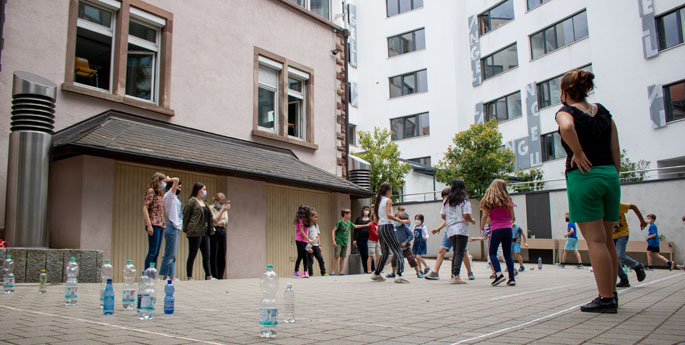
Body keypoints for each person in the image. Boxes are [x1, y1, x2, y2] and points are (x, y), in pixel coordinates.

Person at [556, 68, 620, 313]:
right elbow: (616, 148)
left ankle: (605, 299)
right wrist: (613, 174)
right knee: (607, 241)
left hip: (585, 177)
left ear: (564, 92)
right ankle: (611, 292)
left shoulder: (565, 111)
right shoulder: (603, 112)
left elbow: (567, 127)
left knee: (594, 241)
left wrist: (578, 152)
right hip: (609, 176)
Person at [426, 188, 475, 281]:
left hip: (459, 231)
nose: (444, 199)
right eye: (443, 197)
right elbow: (447, 219)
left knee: (462, 252)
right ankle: (435, 272)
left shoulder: (458, 203)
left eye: (446, 196)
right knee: (442, 250)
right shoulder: (447, 204)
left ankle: (469, 272)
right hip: (449, 231)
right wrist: (438, 229)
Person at [370, 182, 411, 283]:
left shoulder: (378, 201)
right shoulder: (388, 201)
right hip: (388, 227)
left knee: (385, 252)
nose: (391, 192)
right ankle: (399, 275)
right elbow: (389, 215)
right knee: (397, 250)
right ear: (388, 190)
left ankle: (377, 273)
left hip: (380, 227)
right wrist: (401, 221)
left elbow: (375, 218)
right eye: (391, 190)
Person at [480, 179, 516, 287]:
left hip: (496, 229)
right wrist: (507, 224)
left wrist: (482, 229)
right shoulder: (508, 201)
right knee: (507, 254)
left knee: (492, 253)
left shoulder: (489, 201)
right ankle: (512, 278)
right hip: (508, 229)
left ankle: (499, 274)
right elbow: (512, 218)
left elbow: (485, 216)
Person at [442, 179, 476, 284]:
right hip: (461, 228)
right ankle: (456, 275)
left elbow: (443, 215)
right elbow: (466, 215)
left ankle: (453, 274)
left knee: (455, 251)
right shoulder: (464, 201)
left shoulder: (447, 201)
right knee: (459, 252)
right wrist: (472, 221)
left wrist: (451, 220)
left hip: (450, 229)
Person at [182, 182, 214, 280]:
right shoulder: (192, 201)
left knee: (207, 254)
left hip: (205, 230)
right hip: (195, 231)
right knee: (193, 253)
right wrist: (187, 229)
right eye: (203, 189)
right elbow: (186, 215)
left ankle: (209, 275)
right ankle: (189, 276)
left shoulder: (205, 203)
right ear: (198, 190)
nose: (205, 191)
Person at [143, 173, 173, 270]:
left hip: (161, 224)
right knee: (152, 251)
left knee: (156, 252)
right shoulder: (150, 191)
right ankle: (147, 273)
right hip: (154, 223)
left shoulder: (159, 193)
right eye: (163, 181)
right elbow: (145, 208)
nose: (164, 184)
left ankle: (152, 273)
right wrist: (149, 225)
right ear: (158, 181)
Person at [613, 203, 647, 287]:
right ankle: (624, 279)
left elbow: (634, 207)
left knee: (619, 255)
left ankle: (637, 265)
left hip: (622, 234)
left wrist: (642, 221)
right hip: (610, 236)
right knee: (612, 259)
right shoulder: (599, 208)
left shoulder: (617, 205)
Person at [388, 212, 421, 278]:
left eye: (398, 220)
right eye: (395, 220)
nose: (396, 221)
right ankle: (393, 273)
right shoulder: (394, 227)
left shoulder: (405, 227)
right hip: (397, 248)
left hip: (406, 248)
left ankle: (418, 272)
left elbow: (411, 235)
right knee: (393, 260)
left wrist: (406, 242)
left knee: (411, 259)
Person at [160, 177, 181, 281]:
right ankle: (165, 275)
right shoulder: (169, 195)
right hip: (171, 225)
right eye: (178, 187)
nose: (179, 189)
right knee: (169, 253)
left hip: (175, 227)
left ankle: (171, 276)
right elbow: (176, 179)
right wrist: (169, 179)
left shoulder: (175, 198)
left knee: (173, 253)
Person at [209, 193, 230, 280]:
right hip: (214, 231)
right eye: (220, 203)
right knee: (214, 253)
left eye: (222, 203)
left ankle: (221, 275)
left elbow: (225, 221)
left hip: (222, 230)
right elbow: (214, 220)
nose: (221, 205)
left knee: (222, 253)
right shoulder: (211, 208)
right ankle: (214, 275)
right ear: (215, 201)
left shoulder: (225, 209)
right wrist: (222, 211)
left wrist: (219, 221)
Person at [332, 209, 354, 276]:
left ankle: (341, 272)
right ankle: (332, 272)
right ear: (345, 214)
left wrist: (367, 225)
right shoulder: (339, 222)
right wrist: (334, 241)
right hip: (338, 241)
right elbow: (333, 230)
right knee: (336, 256)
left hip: (345, 242)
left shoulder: (349, 223)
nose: (350, 215)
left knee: (342, 257)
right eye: (349, 214)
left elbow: (355, 226)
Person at [293, 205, 312, 278]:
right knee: (300, 255)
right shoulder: (300, 220)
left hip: (305, 241)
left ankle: (305, 271)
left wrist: (307, 240)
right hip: (299, 240)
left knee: (305, 256)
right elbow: (301, 231)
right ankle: (296, 271)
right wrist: (308, 240)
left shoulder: (306, 220)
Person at [306, 210, 326, 276]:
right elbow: (305, 237)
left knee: (321, 259)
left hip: (316, 245)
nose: (316, 219)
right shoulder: (307, 226)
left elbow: (318, 235)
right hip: (310, 245)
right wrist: (308, 247)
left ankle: (323, 272)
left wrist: (319, 245)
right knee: (310, 261)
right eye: (315, 217)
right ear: (310, 217)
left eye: (317, 217)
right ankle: (311, 273)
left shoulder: (316, 226)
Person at [353, 206, 372, 273]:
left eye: (368, 210)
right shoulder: (359, 219)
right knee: (363, 255)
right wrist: (354, 239)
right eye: (365, 210)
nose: (366, 211)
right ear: (363, 210)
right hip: (360, 239)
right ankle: (366, 270)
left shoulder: (371, 219)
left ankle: (372, 269)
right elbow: (355, 230)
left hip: (369, 239)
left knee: (368, 254)